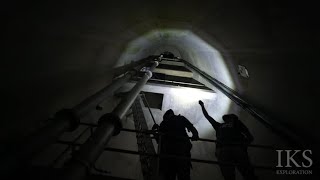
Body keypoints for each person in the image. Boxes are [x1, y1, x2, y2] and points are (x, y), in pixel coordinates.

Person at [198, 100, 257, 180]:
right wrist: (202, 106)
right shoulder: (219, 125)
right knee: (229, 175)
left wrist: (243, 146)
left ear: (233, 118)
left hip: (234, 148)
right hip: (224, 149)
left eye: (229, 117)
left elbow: (249, 137)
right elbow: (208, 117)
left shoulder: (237, 123)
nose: (226, 119)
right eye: (226, 118)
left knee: (247, 173)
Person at [152, 109, 199, 180]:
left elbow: (159, 140)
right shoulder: (180, 118)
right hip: (182, 152)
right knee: (184, 175)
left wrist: (154, 131)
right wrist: (195, 134)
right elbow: (191, 127)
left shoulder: (164, 123)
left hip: (169, 154)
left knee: (170, 175)